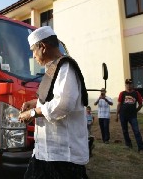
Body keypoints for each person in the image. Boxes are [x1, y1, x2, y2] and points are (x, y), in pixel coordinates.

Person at [18, 26, 89, 179]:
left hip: (63, 157)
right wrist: (34, 103)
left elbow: (62, 104)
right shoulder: (53, 68)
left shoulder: (66, 68)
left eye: (33, 50)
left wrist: (32, 113)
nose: (33, 55)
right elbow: (50, 98)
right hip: (45, 152)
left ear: (43, 47)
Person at [116, 79, 143, 154]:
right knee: (125, 131)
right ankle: (128, 145)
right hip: (123, 115)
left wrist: (136, 110)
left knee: (136, 131)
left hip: (132, 116)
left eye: (130, 84)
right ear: (125, 85)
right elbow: (119, 104)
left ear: (132, 85)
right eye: (127, 84)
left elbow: (141, 104)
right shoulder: (122, 93)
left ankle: (141, 148)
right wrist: (116, 115)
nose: (129, 85)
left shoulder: (136, 93)